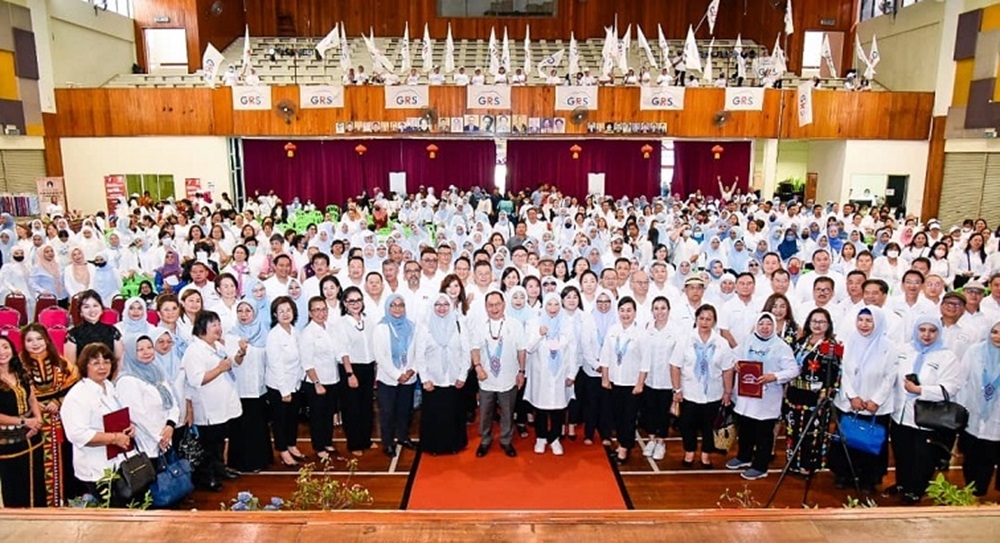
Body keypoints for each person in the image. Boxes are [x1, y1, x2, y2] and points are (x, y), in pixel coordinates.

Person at [891, 315, 964, 504]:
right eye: (922, 330)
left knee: (923, 456)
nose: (926, 335)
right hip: (901, 414)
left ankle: (916, 489)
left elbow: (950, 387)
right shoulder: (904, 350)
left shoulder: (947, 356)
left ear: (939, 333)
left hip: (927, 417)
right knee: (902, 452)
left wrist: (920, 390)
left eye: (932, 331)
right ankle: (902, 484)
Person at [829, 306, 897, 493]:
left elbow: (890, 376)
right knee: (847, 440)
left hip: (875, 406)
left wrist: (876, 400)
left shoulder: (889, 346)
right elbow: (843, 372)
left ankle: (868, 479)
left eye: (869, 321)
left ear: (878, 322)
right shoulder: (849, 342)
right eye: (860, 320)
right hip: (850, 403)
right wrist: (852, 396)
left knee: (871, 443)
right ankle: (845, 474)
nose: (864, 325)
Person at [60, 343, 135, 504]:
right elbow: (77, 434)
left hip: (119, 462)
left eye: (106, 362)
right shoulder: (78, 395)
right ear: (84, 366)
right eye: (96, 363)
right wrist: (114, 438)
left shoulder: (108, 386)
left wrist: (129, 427)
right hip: (96, 466)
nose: (102, 367)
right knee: (110, 510)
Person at [726, 312, 798, 480]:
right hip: (746, 396)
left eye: (769, 324)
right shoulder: (748, 341)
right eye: (761, 324)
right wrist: (736, 364)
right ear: (756, 325)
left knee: (763, 434)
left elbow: (793, 370)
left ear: (774, 326)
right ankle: (743, 457)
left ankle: (760, 466)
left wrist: (774, 376)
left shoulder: (781, 346)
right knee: (745, 430)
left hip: (767, 398)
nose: (765, 327)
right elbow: (733, 355)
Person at [20, 323, 81, 506]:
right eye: (30, 340)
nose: (35, 343)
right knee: (35, 464)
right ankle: (38, 504)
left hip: (60, 421)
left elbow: (75, 387)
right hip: (32, 423)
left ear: (47, 340)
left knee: (65, 461)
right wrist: (33, 404)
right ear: (23, 343)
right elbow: (14, 393)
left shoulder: (62, 363)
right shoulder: (18, 367)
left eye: (39, 338)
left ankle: (65, 500)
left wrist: (58, 401)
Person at [182, 310, 242, 491]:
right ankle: (207, 477)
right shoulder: (194, 350)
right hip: (208, 406)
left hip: (223, 402)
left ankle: (219, 469)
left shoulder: (217, 345)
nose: (218, 328)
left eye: (219, 323)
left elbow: (232, 363)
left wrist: (240, 354)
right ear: (202, 328)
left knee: (220, 440)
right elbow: (197, 379)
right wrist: (219, 369)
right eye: (213, 324)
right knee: (208, 444)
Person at [672, 304, 734, 468]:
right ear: (696, 319)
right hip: (689, 392)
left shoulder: (722, 343)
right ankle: (689, 452)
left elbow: (728, 369)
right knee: (687, 425)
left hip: (713, 393)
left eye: (708, 319)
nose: (704, 322)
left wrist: (727, 392)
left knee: (710, 427)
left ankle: (706, 454)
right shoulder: (685, 340)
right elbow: (675, 366)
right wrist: (677, 389)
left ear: (714, 322)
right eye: (702, 318)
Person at [783, 308, 842, 475]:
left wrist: (826, 392)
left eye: (822, 322)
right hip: (794, 393)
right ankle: (793, 463)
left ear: (828, 325)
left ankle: (808, 465)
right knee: (792, 429)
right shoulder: (800, 342)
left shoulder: (831, 347)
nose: (817, 325)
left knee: (811, 432)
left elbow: (836, 372)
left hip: (815, 396)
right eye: (814, 321)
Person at [470, 291, 524, 458]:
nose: (494, 308)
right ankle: (485, 440)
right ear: (486, 307)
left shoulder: (515, 325)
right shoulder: (479, 326)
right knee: (485, 412)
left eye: (497, 304)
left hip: (509, 377)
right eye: (490, 305)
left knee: (508, 412)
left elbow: (521, 350)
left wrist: (521, 371)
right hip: (486, 378)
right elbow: (475, 349)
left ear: (504, 305)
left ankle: (506, 440)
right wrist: (478, 367)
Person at [115, 335, 179, 468]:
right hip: (146, 444)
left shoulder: (156, 373)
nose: (147, 352)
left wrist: (170, 425)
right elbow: (137, 415)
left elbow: (172, 401)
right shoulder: (127, 380)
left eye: (150, 347)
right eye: (140, 349)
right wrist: (159, 438)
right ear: (131, 353)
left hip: (166, 438)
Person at [524, 293, 576, 456]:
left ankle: (554, 438)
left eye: (556, 305)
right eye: (549, 304)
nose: (553, 308)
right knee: (540, 407)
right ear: (544, 306)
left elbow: (572, 350)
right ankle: (540, 437)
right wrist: (539, 334)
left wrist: (572, 374)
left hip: (560, 373)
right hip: (541, 374)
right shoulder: (534, 322)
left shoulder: (567, 323)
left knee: (558, 408)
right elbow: (528, 347)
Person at [600, 296, 649, 464]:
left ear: (635, 312)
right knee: (618, 416)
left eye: (629, 310)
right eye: (622, 310)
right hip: (615, 381)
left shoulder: (641, 333)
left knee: (629, 417)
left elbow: (645, 361)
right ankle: (622, 443)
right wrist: (605, 378)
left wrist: (640, 383)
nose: (625, 314)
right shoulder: (613, 330)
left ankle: (624, 448)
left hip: (632, 383)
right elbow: (605, 355)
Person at [224, 300, 272, 472]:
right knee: (240, 427)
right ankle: (241, 463)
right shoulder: (231, 336)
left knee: (258, 426)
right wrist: (241, 352)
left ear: (255, 312)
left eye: (248, 310)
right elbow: (232, 362)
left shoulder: (265, 334)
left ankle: (260, 460)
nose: (243, 314)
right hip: (240, 389)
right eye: (240, 311)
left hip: (260, 389)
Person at [0, 335, 45, 507]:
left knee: (36, 479)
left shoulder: (21, 371)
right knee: (15, 483)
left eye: (5, 347)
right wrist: (24, 422)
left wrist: (38, 420)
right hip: (8, 440)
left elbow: (32, 398)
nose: (2, 352)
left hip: (33, 434)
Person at [957, 319, 1000, 497]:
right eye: (994, 332)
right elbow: (962, 380)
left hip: (996, 418)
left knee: (988, 457)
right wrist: (962, 408)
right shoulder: (975, 351)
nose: (998, 337)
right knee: (970, 457)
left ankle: (982, 495)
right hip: (972, 413)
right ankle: (971, 493)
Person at [373, 294, 418, 457]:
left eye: (401, 305)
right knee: (387, 412)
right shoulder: (381, 328)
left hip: (409, 377)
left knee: (405, 410)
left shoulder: (412, 327)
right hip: (388, 379)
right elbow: (380, 356)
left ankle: (403, 437)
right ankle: (388, 443)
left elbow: (418, 351)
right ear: (388, 307)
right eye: (393, 305)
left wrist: (411, 370)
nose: (397, 308)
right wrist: (398, 375)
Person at [299, 296, 342, 461]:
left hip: (333, 378)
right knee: (318, 416)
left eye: (323, 309)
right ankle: (318, 446)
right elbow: (307, 362)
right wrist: (317, 383)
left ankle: (327, 441)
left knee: (328, 413)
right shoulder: (307, 333)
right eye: (316, 310)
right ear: (310, 313)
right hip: (316, 382)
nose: (321, 313)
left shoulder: (331, 328)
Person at [641, 296, 683, 461]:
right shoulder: (647, 329)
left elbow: (679, 359)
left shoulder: (676, 331)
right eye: (656, 308)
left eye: (663, 308)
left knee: (663, 413)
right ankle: (651, 440)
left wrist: (677, 387)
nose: (660, 312)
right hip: (650, 379)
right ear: (652, 311)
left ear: (669, 310)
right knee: (649, 411)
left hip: (668, 380)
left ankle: (661, 442)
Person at [336, 286, 377, 456]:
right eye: (351, 301)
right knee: (351, 407)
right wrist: (350, 374)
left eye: (358, 300)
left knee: (366, 406)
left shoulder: (368, 320)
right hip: (351, 369)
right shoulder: (341, 324)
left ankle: (366, 439)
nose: (355, 304)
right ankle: (354, 443)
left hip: (368, 367)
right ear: (345, 303)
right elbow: (343, 351)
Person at [265, 296, 305, 466]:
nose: (285, 314)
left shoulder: (295, 332)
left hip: (295, 383)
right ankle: (282, 450)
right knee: (280, 420)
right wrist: (284, 390)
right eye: (281, 311)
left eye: (288, 310)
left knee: (292, 418)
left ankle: (291, 444)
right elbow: (275, 365)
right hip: (279, 385)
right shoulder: (274, 335)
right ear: (275, 314)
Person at [65, 290, 124, 367]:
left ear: (102, 309)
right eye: (86, 307)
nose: (92, 310)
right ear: (80, 312)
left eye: (95, 305)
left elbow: (118, 359)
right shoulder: (73, 334)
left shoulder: (112, 331)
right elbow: (71, 365)